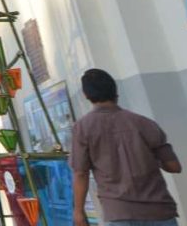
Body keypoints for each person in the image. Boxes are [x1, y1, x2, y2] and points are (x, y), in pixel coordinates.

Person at [71, 68, 181, 226]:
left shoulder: (82, 128)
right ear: (115, 91)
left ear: (86, 95)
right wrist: (149, 158)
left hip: (119, 212)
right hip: (159, 211)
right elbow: (174, 167)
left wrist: (78, 211)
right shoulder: (144, 123)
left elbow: (81, 173)